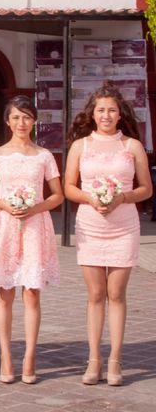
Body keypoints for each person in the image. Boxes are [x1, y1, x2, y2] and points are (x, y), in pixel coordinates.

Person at [64, 81, 151, 386]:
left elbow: (145, 188)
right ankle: (94, 360)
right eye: (101, 110)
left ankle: (115, 360)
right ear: (92, 113)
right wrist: (90, 198)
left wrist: (120, 198)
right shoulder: (80, 146)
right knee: (96, 294)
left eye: (111, 110)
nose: (106, 115)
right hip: (90, 225)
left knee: (116, 294)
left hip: (124, 225)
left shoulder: (132, 146)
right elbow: (69, 187)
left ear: (119, 113)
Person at [0, 95, 63, 384]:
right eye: (16, 117)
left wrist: (35, 207)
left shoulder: (44, 156)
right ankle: (6, 356)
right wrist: (5, 205)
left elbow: (57, 195)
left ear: (34, 121)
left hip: (36, 224)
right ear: (7, 121)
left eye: (26, 116)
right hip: (5, 225)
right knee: (5, 294)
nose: (21, 122)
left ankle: (29, 357)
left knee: (32, 293)